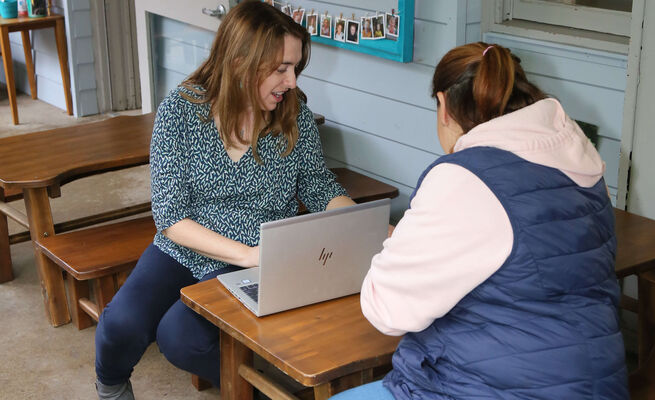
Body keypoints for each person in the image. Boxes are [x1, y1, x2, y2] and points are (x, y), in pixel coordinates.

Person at [330, 42, 628, 399]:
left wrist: (397, 244)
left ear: (444, 107)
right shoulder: (580, 157)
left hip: (493, 387)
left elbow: (387, 310)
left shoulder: (465, 178)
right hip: (598, 381)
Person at [94, 2, 354, 399]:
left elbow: (318, 185)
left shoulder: (294, 114)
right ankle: (110, 388)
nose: (291, 81)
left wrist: (352, 222)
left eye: (295, 68)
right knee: (119, 326)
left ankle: (266, 391)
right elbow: (170, 215)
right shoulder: (181, 111)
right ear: (240, 62)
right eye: (281, 68)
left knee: (180, 337)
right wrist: (248, 255)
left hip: (263, 255)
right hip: (189, 247)